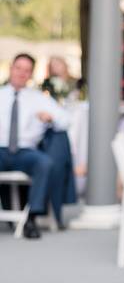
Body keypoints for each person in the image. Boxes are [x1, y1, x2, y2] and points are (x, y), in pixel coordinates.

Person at [0, 53, 70, 239]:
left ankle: (32, 217)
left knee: (44, 163)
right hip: (0, 149)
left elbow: (65, 120)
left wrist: (51, 118)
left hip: (25, 152)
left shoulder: (38, 98)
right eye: (18, 68)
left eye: (26, 71)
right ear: (11, 69)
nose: (21, 73)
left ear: (31, 74)